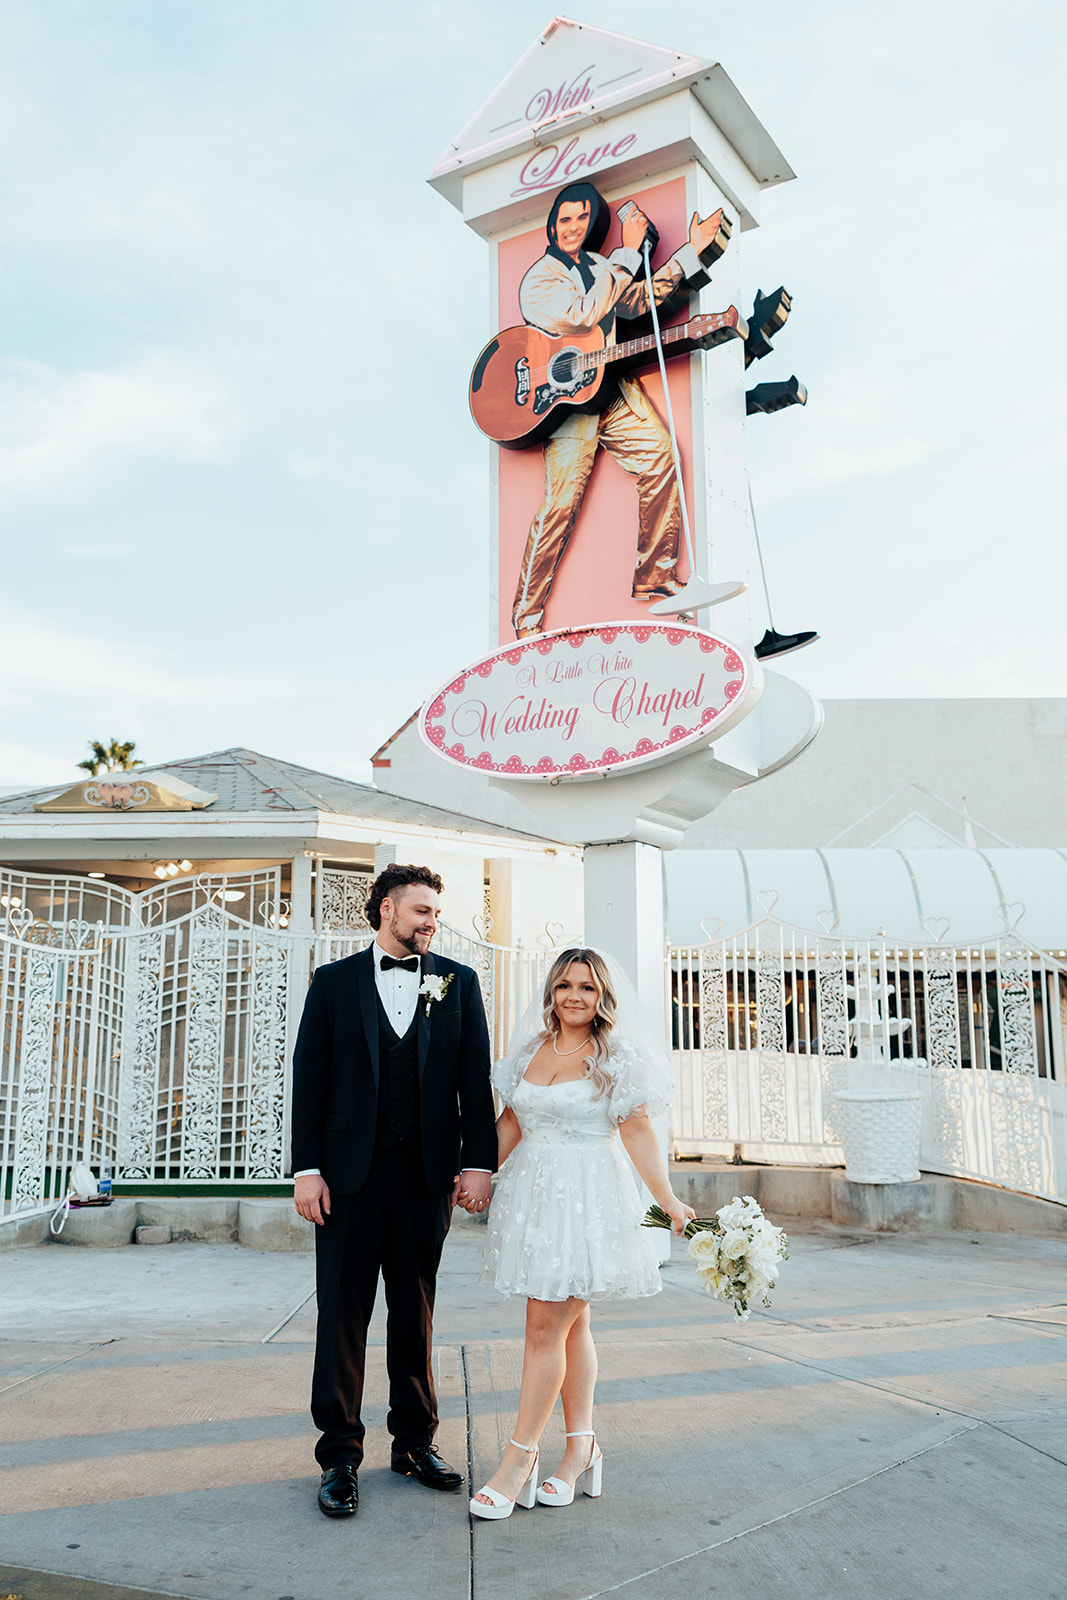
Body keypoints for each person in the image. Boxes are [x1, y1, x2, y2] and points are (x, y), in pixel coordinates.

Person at [291, 864, 497, 1518]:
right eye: (420, 911)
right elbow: (310, 1079)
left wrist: (478, 1164)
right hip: (346, 1179)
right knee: (343, 1318)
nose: (430, 922)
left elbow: (474, 1076)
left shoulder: (456, 983)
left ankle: (413, 1443)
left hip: (424, 1177)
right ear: (385, 910)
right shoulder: (332, 983)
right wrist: (306, 1170)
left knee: (415, 1313)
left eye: (434, 912)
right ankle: (339, 1458)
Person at [470, 947, 695, 1519]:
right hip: (534, 1200)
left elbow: (638, 1130)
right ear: (552, 990)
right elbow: (513, 1122)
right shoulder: (531, 1049)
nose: (575, 996)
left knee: (544, 1324)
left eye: (588, 988)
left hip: (588, 1199)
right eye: (566, 985)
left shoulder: (615, 1055)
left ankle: (519, 1460)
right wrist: (472, 1180)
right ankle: (581, 1449)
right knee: (571, 1329)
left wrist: (667, 1199)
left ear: (602, 998)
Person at [511, 181, 731, 639]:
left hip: (609, 387)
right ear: (552, 226)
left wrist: (692, 252)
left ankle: (656, 576)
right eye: (565, 219)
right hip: (565, 403)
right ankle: (526, 619)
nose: (573, 228)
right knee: (558, 509)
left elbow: (637, 302)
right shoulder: (539, 279)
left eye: (581, 219)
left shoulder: (599, 265)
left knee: (663, 460)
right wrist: (629, 255)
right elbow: (582, 316)